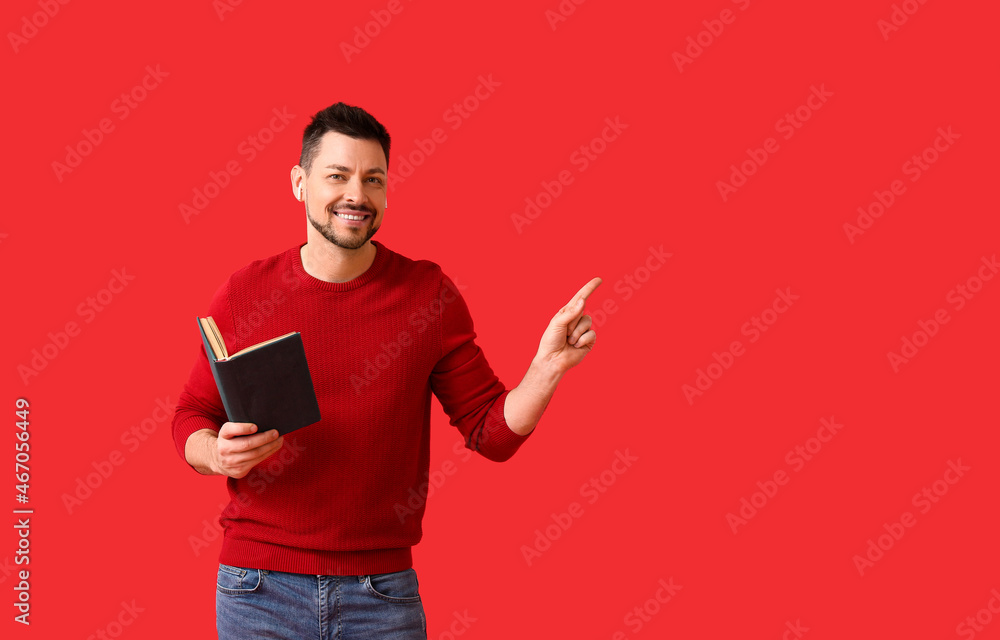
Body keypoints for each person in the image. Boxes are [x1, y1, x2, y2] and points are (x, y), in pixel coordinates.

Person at [171, 102, 601, 639]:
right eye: (338, 176)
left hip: (381, 595)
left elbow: (490, 433)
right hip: (258, 591)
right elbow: (191, 415)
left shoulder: (427, 295)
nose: (357, 194)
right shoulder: (245, 293)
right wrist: (216, 453)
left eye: (372, 179)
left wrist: (547, 367)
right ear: (299, 183)